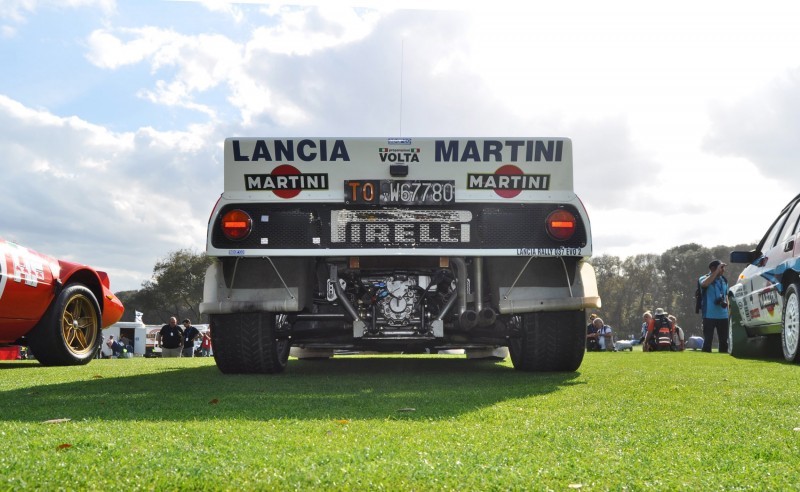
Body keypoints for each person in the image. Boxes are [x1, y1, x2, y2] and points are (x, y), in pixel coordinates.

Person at [699, 259, 729, 353]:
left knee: (724, 342)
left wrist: (728, 309)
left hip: (723, 315)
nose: (723, 270)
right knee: (708, 341)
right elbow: (704, 284)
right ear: (713, 268)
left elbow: (726, 295)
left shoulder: (724, 280)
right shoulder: (704, 278)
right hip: (709, 315)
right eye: (721, 268)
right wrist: (716, 272)